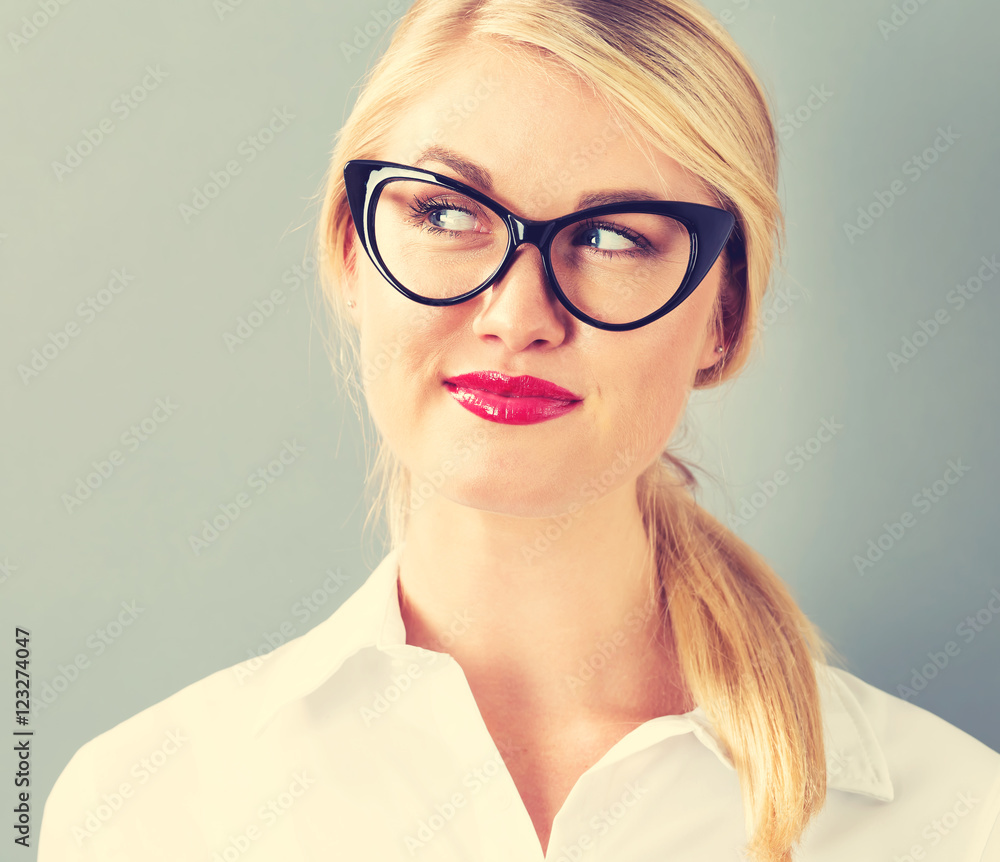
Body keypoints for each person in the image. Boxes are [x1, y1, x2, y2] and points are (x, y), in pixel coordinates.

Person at [38, 0, 1000, 860]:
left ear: (723, 312)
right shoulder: (147, 810)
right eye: (448, 211)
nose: (516, 313)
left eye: (614, 236)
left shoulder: (955, 822)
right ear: (350, 252)